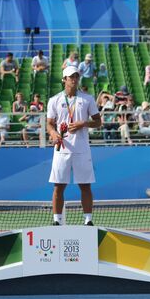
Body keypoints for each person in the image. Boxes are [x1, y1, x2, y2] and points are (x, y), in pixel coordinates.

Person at [46, 66, 101, 226]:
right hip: (62, 150)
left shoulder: (87, 99)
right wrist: (53, 134)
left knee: (85, 185)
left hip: (82, 149)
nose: (74, 79)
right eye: (71, 77)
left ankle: (88, 220)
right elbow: (49, 124)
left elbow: (98, 122)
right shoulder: (54, 100)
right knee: (58, 186)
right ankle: (57, 220)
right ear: (64, 79)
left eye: (76, 76)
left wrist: (84, 123)